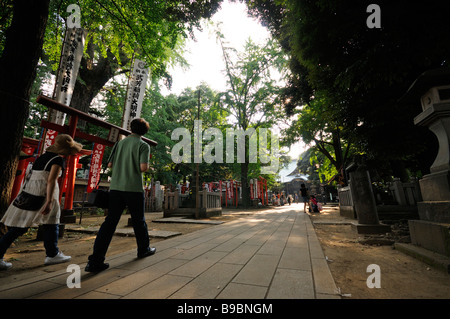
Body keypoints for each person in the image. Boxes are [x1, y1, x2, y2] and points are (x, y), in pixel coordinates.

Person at [0, 134, 82, 270]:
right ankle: (52, 254)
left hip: (30, 194)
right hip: (44, 194)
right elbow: (50, 180)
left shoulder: (42, 158)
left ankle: (52, 253)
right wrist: (49, 200)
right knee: (51, 223)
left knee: (20, 228)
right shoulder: (58, 160)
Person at [85, 118, 156, 273]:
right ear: (145, 131)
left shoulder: (119, 144)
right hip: (134, 189)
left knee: (109, 223)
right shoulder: (143, 145)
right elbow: (143, 167)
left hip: (116, 188)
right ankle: (143, 249)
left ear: (131, 128)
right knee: (139, 221)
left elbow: (110, 165)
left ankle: (95, 261)